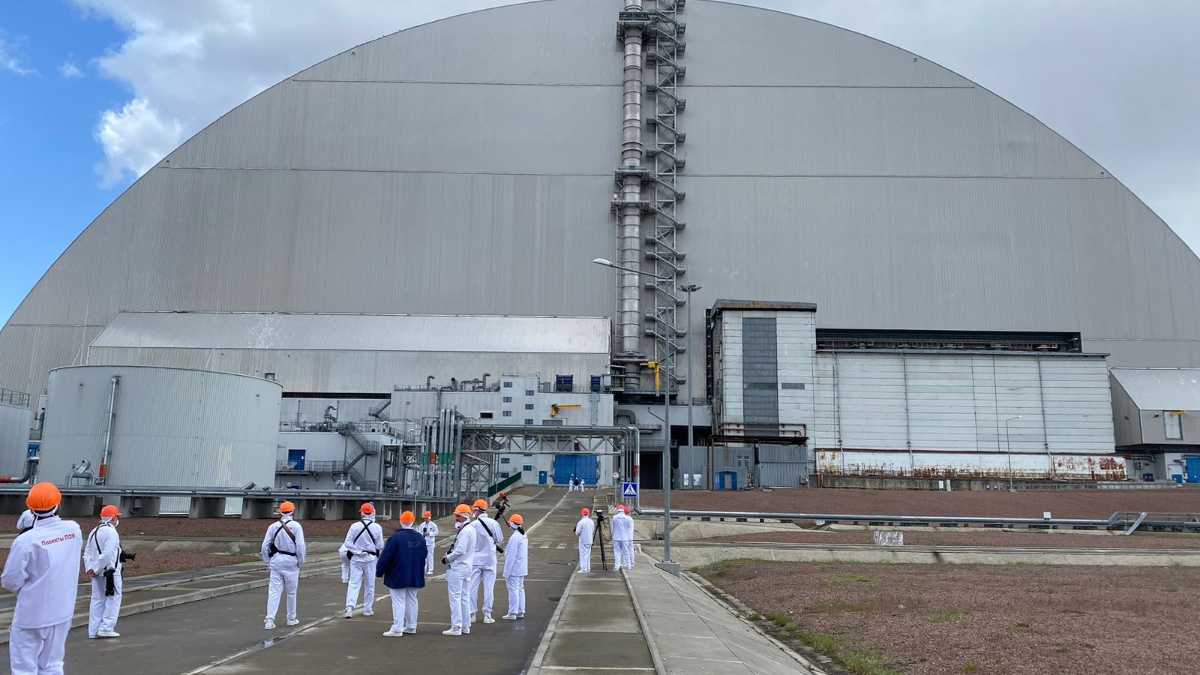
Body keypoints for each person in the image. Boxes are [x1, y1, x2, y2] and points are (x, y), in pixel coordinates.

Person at [2, 482, 83, 675]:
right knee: (52, 665)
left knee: (24, 669)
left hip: (31, 614)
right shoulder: (73, 530)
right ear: (58, 504)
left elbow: (10, 581)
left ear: (30, 508)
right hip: (62, 612)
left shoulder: (25, 541)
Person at [376, 510, 427, 637]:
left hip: (397, 574)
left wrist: (379, 571)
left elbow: (386, 557)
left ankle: (397, 628)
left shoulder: (395, 538)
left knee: (398, 601)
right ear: (413, 521)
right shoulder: (420, 538)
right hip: (415, 573)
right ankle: (411, 625)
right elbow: (424, 555)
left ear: (401, 521)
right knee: (412, 599)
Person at [84, 505, 127, 639]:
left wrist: (90, 568)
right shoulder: (112, 532)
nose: (118, 519)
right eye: (117, 517)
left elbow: (87, 552)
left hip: (96, 572)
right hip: (110, 572)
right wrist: (97, 568)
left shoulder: (94, 531)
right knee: (113, 599)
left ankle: (93, 630)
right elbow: (107, 554)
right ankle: (106, 628)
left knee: (97, 600)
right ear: (113, 518)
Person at [261, 500, 306, 630]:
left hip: (276, 560)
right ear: (293, 511)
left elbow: (265, 546)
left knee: (274, 592)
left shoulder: (273, 526)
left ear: (280, 512)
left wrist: (267, 561)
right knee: (291, 592)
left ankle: (270, 619)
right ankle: (291, 618)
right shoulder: (296, 526)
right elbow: (300, 546)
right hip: (291, 561)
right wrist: (300, 561)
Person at [343, 502, 384, 619]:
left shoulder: (354, 526)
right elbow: (380, 545)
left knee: (353, 583)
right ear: (372, 513)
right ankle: (367, 609)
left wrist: (358, 551)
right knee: (370, 585)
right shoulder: (377, 527)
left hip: (356, 559)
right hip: (371, 559)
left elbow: (347, 543)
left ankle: (349, 607)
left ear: (361, 513)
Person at [441, 504, 477, 636]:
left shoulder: (465, 531)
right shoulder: (470, 529)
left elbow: (460, 550)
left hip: (458, 567)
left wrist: (447, 558)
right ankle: (466, 626)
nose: (456, 518)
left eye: (458, 516)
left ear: (464, 516)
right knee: (464, 597)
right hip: (467, 567)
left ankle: (456, 627)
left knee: (455, 598)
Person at [467, 498, 505, 624]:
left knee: (472, 588)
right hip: (490, 560)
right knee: (489, 589)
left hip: (475, 560)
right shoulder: (493, 523)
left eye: (474, 510)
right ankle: (487, 615)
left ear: (477, 510)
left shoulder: (472, 525)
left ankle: (472, 614)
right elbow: (500, 540)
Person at [501, 514, 528, 620]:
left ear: (512, 524)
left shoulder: (514, 537)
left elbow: (511, 557)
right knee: (520, 589)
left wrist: (506, 572)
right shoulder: (523, 534)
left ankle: (512, 612)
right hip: (521, 567)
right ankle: (521, 611)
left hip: (514, 569)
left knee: (513, 590)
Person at [611, 504, 635, 571]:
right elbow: (629, 528)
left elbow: (612, 528)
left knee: (617, 552)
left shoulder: (614, 517)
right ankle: (629, 565)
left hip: (616, 537)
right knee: (626, 551)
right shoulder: (627, 518)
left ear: (618, 510)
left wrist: (612, 535)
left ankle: (617, 566)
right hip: (625, 538)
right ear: (623, 510)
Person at [574, 507, 595, 574]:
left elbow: (577, 532)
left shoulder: (581, 522)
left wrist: (576, 531)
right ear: (588, 513)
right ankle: (588, 568)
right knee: (588, 554)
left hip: (583, 540)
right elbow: (593, 530)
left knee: (583, 555)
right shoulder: (591, 521)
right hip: (590, 540)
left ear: (582, 513)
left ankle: (583, 568)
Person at [418, 511, 439, 575]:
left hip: (430, 543)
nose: (426, 519)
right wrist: (423, 534)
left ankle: (430, 570)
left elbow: (436, 532)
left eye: (427, 518)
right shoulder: (422, 525)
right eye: (425, 518)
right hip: (423, 542)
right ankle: (424, 569)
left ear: (429, 518)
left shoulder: (433, 525)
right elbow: (419, 532)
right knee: (424, 556)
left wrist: (429, 533)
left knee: (430, 556)